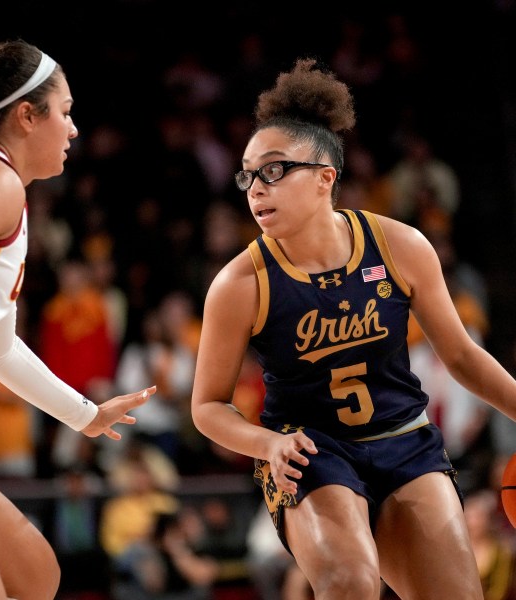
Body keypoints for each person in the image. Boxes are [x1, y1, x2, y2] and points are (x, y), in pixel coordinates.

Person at [190, 56, 516, 599]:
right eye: (248, 173)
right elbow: (207, 408)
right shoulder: (239, 283)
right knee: (349, 583)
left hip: (404, 440)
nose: (255, 187)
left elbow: (460, 356)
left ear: (325, 177)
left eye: (274, 169)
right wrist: (267, 443)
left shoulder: (400, 245)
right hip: (312, 452)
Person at [0, 39, 156, 600]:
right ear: (27, 116)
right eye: (66, 112)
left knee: (35, 573)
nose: (73, 129)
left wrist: (85, 415)